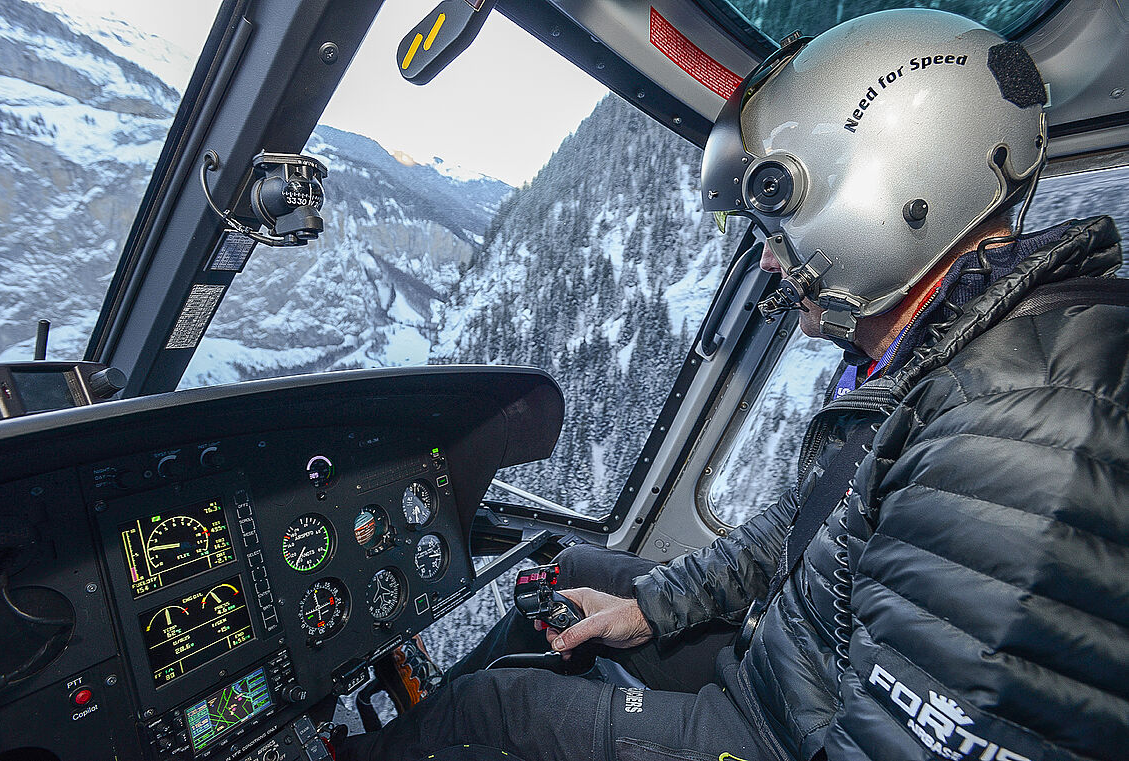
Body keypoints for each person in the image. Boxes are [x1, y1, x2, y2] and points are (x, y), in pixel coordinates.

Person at [339, 9, 1129, 761]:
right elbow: (804, 523)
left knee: (488, 710)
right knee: (572, 574)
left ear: (888, 205)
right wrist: (648, 609)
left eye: (780, 231)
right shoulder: (946, 357)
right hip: (794, 666)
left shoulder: (1020, 438)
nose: (770, 261)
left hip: (782, 729)